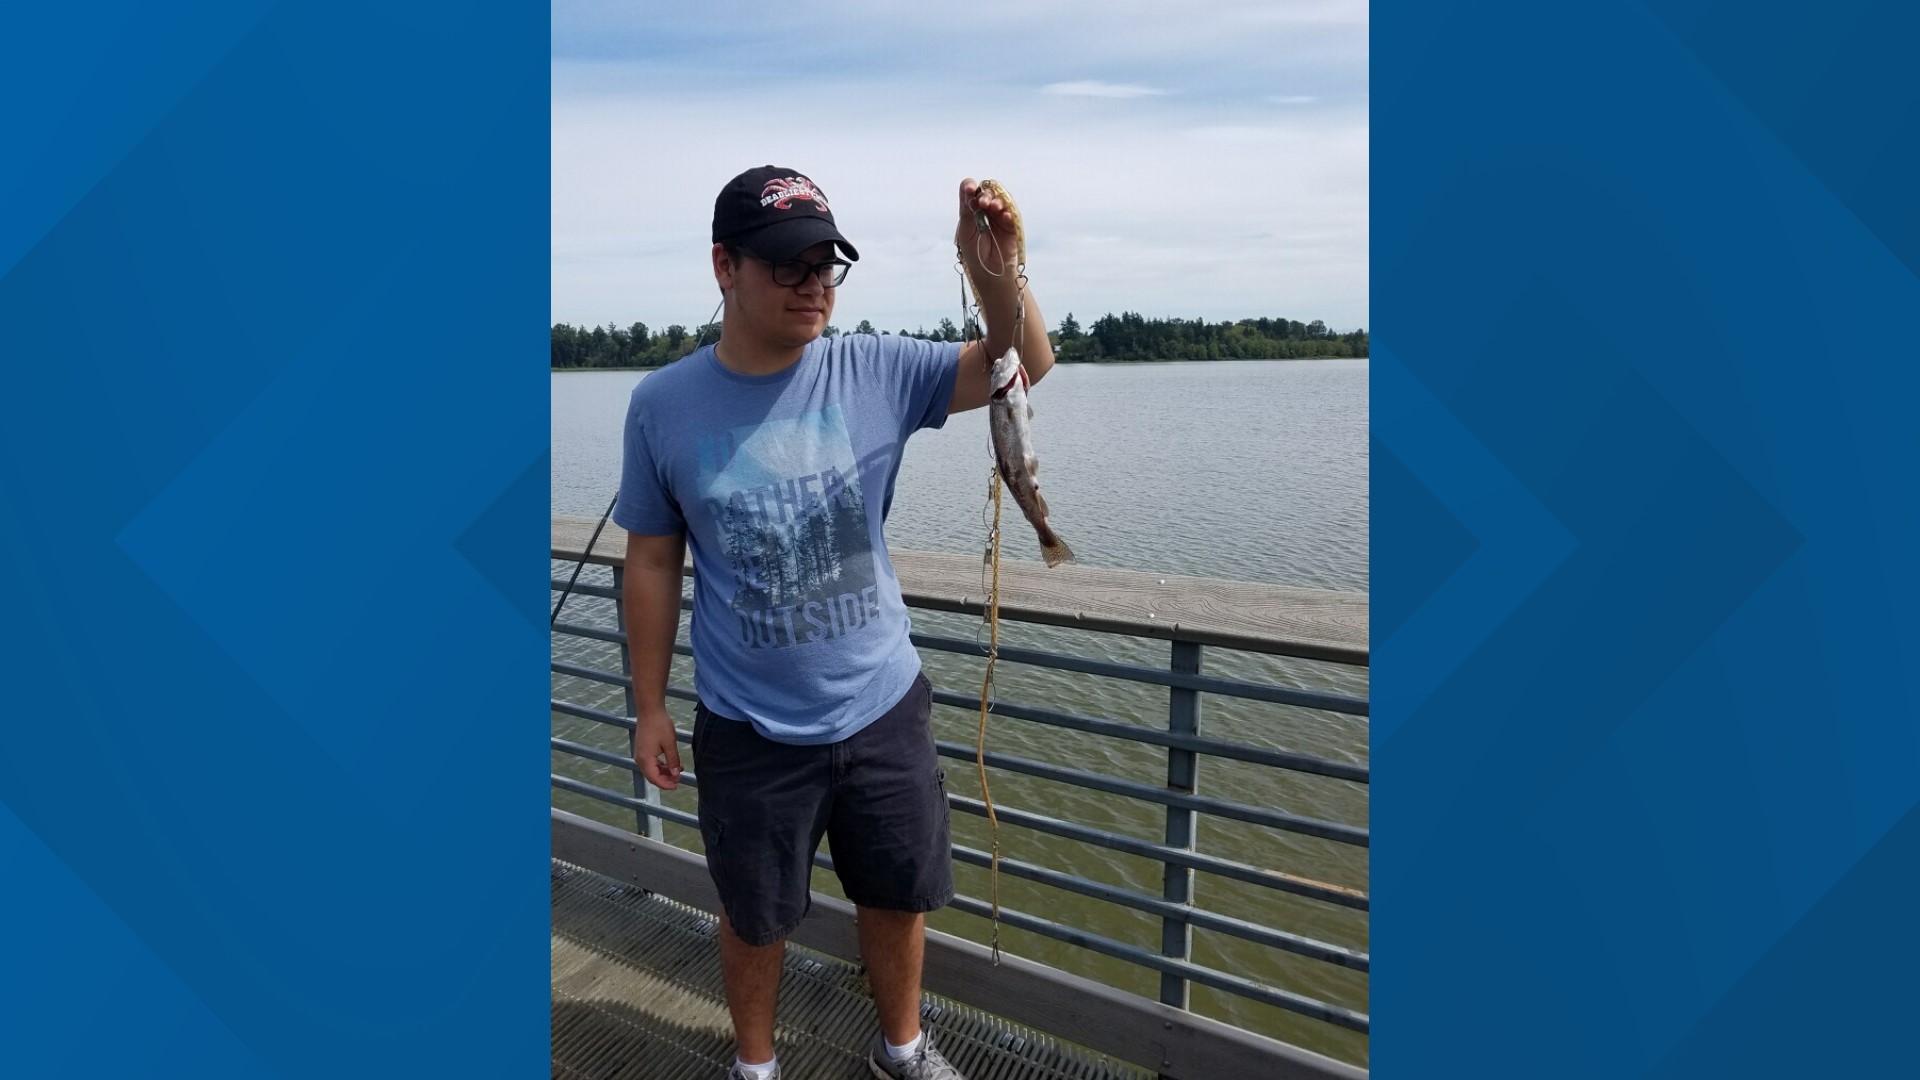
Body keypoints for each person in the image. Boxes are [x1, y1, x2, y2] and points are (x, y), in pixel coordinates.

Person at [614, 165, 1054, 1080]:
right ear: (724, 267)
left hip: (882, 706)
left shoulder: (878, 368)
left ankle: (901, 1048)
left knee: (897, 896)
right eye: (789, 265)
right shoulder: (660, 405)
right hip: (747, 726)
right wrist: (650, 706)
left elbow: (1025, 364)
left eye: (828, 264)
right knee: (754, 914)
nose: (815, 284)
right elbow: (652, 561)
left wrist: (995, 270)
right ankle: (757, 1065)